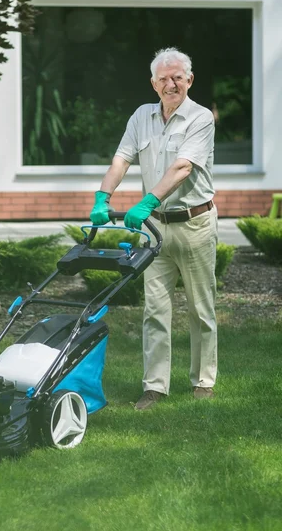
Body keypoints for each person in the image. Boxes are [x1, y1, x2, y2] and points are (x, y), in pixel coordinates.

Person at [90, 47, 218, 410]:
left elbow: (182, 168)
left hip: (194, 221)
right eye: (163, 78)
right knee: (155, 309)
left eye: (177, 76)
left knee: (200, 307)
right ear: (153, 83)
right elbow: (122, 158)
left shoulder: (201, 118)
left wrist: (146, 201)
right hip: (156, 228)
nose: (170, 83)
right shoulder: (141, 117)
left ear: (189, 80)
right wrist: (103, 196)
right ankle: (155, 386)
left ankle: (203, 381)